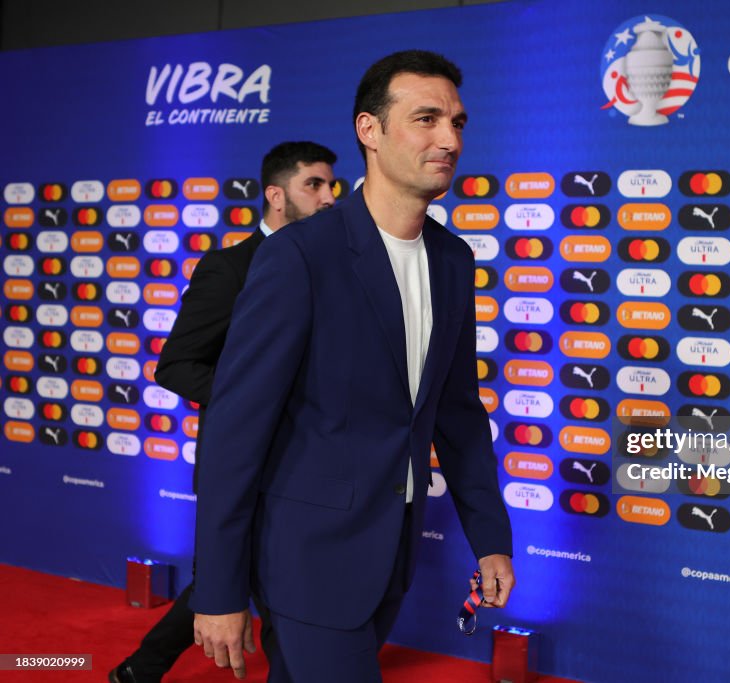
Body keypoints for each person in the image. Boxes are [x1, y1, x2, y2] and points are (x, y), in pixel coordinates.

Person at [190, 50, 515, 682]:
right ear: (370, 130)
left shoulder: (453, 260)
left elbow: (456, 412)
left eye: (458, 122)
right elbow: (234, 433)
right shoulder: (299, 257)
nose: (449, 139)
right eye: (426, 119)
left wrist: (490, 536)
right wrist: (219, 590)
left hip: (393, 552)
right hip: (307, 561)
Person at [110, 141, 338, 683]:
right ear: (276, 196)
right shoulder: (230, 269)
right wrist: (256, 401)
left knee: (270, 577)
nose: (331, 197)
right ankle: (143, 667)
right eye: (316, 185)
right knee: (238, 576)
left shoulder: (337, 269)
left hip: (313, 461)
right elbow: (178, 365)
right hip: (242, 460)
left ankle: (143, 668)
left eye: (334, 186)